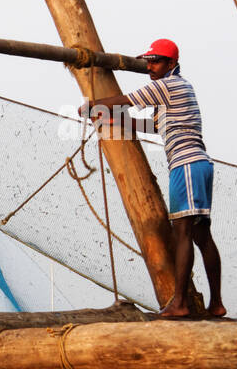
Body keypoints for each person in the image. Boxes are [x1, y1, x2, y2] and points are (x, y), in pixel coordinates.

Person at [80, 38, 225, 319]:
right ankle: (215, 303)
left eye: (155, 61)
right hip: (197, 165)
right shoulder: (174, 91)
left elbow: (128, 100)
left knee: (182, 232)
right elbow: (148, 125)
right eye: (148, 61)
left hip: (186, 164)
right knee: (200, 235)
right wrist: (110, 120)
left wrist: (92, 106)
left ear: (171, 63)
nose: (150, 67)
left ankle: (180, 303)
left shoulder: (169, 85)